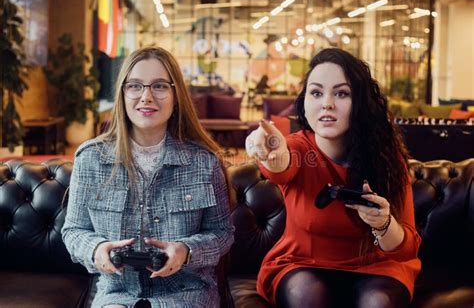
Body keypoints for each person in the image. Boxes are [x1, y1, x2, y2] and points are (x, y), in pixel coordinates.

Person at [246, 48, 421, 307]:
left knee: (378, 302)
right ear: (305, 101)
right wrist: (270, 151)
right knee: (305, 294)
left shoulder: (387, 158)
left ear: (360, 103)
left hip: (376, 268)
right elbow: (280, 166)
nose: (327, 103)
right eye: (316, 93)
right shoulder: (297, 148)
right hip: (301, 265)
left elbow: (406, 247)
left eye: (341, 93)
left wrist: (383, 223)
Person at [62, 47, 234, 308]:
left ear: (176, 96)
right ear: (122, 94)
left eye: (160, 86)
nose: (146, 96)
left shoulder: (204, 161)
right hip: (116, 292)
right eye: (135, 86)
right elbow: (73, 231)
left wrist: (186, 251)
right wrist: (97, 249)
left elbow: (222, 234)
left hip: (187, 293)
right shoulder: (90, 159)